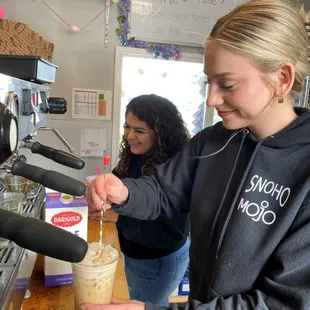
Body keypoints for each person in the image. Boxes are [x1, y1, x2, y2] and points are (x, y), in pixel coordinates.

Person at [85, 0, 310, 309]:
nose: (211, 99)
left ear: (282, 78)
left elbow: (282, 302)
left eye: (227, 84)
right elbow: (163, 191)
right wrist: (124, 191)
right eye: (209, 81)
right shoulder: (213, 141)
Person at [89, 94, 191, 306]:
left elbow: (168, 235)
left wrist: (119, 218)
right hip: (136, 256)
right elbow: (119, 183)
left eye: (139, 131)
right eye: (127, 127)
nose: (129, 136)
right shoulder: (135, 154)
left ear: (161, 134)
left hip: (160, 261)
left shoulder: (175, 170)